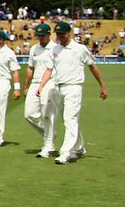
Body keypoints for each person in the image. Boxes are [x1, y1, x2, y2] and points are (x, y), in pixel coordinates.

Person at [37, 21, 108, 165]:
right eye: (58, 34)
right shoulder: (55, 49)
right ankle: (79, 147)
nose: (60, 37)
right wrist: (41, 85)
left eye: (62, 34)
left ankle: (66, 153)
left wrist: (102, 86)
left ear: (69, 33)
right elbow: (49, 70)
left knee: (70, 119)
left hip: (74, 87)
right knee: (70, 119)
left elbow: (92, 67)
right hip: (59, 88)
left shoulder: (80, 49)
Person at [22, 23, 58, 158]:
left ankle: (48, 146)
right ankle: (50, 134)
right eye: (39, 36)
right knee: (29, 114)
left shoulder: (55, 48)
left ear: (49, 34)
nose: (41, 38)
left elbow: (52, 69)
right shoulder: (34, 49)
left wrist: (43, 85)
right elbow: (30, 68)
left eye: (43, 36)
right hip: (35, 83)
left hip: (50, 82)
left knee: (47, 114)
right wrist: (25, 86)